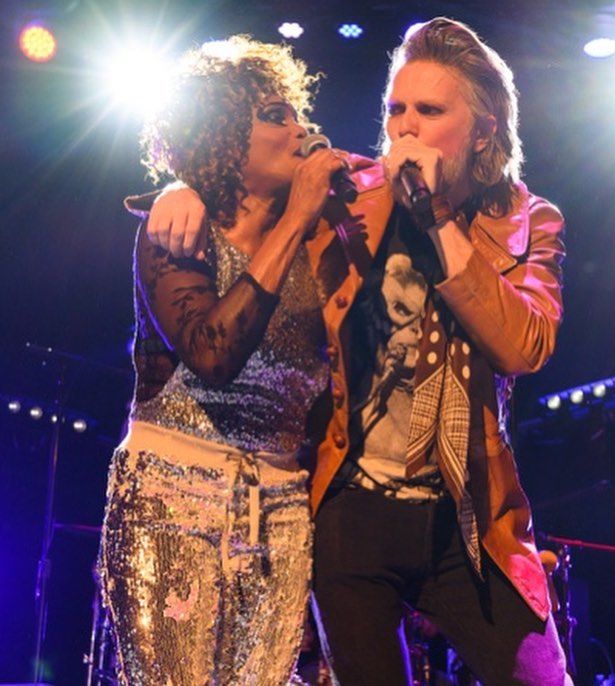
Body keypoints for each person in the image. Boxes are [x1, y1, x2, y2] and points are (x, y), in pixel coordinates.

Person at [141, 18, 571, 685]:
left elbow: (523, 345)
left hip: (468, 517)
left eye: (430, 111)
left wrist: (434, 216)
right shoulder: (352, 191)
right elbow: (243, 173)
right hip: (350, 506)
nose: (406, 128)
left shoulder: (530, 221)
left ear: (483, 132)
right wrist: (181, 188)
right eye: (396, 110)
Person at [99, 36, 350, 685]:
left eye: (297, 113)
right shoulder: (179, 228)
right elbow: (212, 354)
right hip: (172, 496)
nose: (299, 129)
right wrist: (289, 219)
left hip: (280, 506)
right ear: (222, 133)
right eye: (274, 115)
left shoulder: (324, 240)